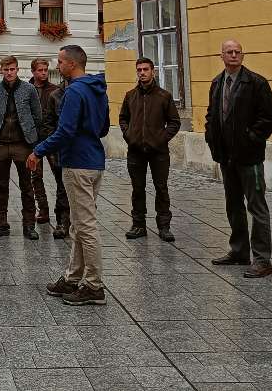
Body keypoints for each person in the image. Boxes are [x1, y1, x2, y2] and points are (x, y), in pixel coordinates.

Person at [30, 45, 109, 306]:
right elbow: (104, 126)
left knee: (85, 226)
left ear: (72, 64)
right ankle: (74, 277)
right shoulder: (97, 88)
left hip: (78, 162)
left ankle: (94, 285)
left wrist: (39, 151)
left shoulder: (74, 91)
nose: (57, 66)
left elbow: (65, 131)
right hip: (94, 160)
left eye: (61, 61)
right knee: (78, 223)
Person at [205, 39, 272, 279]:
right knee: (233, 205)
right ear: (222, 56)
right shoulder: (217, 83)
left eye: (237, 52)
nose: (234, 55)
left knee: (257, 207)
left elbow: (269, 118)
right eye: (229, 52)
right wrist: (211, 137)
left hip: (249, 157)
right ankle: (239, 251)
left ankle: (262, 259)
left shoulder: (256, 83)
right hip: (226, 157)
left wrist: (251, 137)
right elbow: (212, 115)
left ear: (242, 55)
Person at [119, 57, 181, 242]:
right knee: (137, 189)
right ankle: (138, 225)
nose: (142, 72)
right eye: (139, 69)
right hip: (135, 150)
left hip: (158, 151)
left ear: (152, 71)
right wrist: (129, 134)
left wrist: (161, 139)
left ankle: (164, 226)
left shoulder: (164, 96)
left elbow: (174, 122)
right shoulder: (130, 95)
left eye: (146, 69)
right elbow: (123, 118)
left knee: (161, 188)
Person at [0, 56, 43, 240]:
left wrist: (35, 144)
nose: (9, 73)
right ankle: (0, 224)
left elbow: (37, 116)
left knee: (27, 186)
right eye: (6, 69)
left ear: (17, 69)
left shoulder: (29, 89)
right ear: (1, 70)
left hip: (23, 144)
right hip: (0, 144)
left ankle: (29, 225)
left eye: (12, 69)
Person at [29, 58, 70, 239]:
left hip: (52, 139)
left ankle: (61, 214)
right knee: (35, 176)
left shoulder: (55, 90)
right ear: (33, 72)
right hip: (33, 139)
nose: (43, 73)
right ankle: (43, 209)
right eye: (40, 70)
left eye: (46, 70)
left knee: (59, 175)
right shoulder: (27, 89)